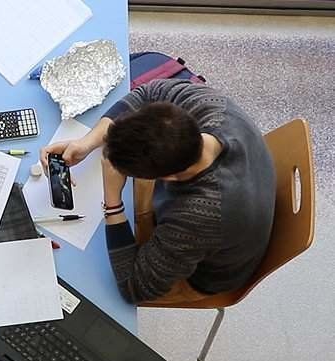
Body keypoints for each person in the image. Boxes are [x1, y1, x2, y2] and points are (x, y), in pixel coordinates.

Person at [41, 79, 276, 304]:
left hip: (210, 273)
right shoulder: (206, 105)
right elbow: (147, 93)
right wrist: (88, 142)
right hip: (242, 203)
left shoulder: (199, 215)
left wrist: (113, 201)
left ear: (167, 178)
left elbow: (134, 287)